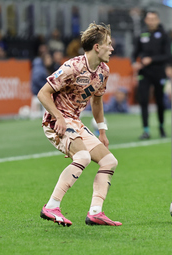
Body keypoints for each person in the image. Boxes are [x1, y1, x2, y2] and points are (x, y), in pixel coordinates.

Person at [37, 21, 121, 226]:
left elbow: (97, 101)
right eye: (108, 44)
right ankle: (51, 206)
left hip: (75, 122)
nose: (112, 48)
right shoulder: (72, 67)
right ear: (97, 47)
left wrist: (102, 130)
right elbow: (43, 93)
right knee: (82, 156)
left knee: (110, 161)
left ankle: (95, 212)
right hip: (56, 121)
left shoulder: (104, 71)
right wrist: (58, 117)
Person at [132, 11, 171, 139]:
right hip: (144, 72)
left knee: (159, 100)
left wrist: (152, 59)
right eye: (149, 19)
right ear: (146, 21)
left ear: (158, 20)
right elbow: (134, 53)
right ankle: (146, 130)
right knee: (143, 100)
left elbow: (167, 55)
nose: (152, 21)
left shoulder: (164, 35)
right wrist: (134, 63)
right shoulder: (141, 35)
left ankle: (161, 126)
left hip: (159, 72)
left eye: (154, 19)